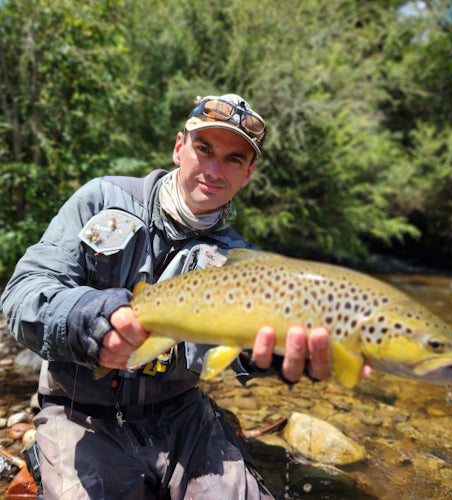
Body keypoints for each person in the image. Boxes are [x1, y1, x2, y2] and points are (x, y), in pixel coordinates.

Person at [1, 93, 365, 500]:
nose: (213, 169)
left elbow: (234, 356)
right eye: (204, 149)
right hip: (81, 415)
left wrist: (272, 357)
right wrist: (89, 320)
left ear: (247, 174)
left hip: (183, 417)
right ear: (179, 148)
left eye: (234, 159)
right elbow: (23, 293)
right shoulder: (101, 199)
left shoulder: (240, 262)